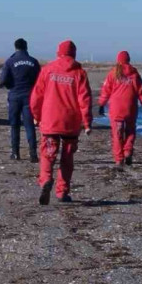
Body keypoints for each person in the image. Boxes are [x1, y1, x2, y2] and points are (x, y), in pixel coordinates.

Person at [29, 40, 92, 205]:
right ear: (74, 53)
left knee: (48, 154)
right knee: (67, 157)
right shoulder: (79, 73)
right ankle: (62, 191)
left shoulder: (48, 70)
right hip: (70, 123)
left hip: (50, 120)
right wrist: (87, 123)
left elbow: (37, 95)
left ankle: (46, 180)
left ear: (59, 52)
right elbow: (84, 100)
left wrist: (36, 115)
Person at [98, 51, 142, 167]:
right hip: (130, 108)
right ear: (129, 60)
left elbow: (106, 91)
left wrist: (101, 104)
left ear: (118, 60)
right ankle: (127, 151)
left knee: (117, 134)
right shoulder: (134, 74)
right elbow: (141, 91)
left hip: (116, 109)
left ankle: (119, 159)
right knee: (130, 131)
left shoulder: (113, 73)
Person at [0, 38, 41, 162]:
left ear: (15, 47)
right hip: (29, 96)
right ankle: (33, 154)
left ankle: (15, 153)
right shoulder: (33, 62)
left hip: (15, 96)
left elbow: (2, 80)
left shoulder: (10, 61)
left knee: (14, 125)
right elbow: (40, 80)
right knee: (29, 126)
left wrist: (10, 86)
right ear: (26, 47)